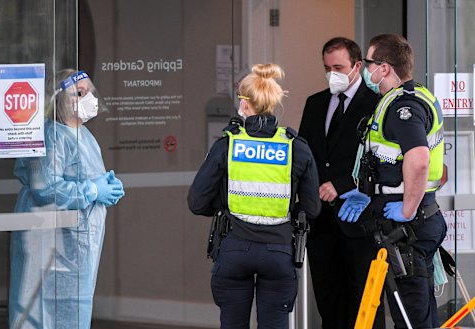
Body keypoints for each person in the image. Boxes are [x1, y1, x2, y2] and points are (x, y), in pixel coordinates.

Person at [188, 63, 321, 329]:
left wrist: (225, 204)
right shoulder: (296, 147)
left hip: (235, 249)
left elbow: (197, 202)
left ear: (245, 104)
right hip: (279, 251)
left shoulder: (228, 144)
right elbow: (312, 208)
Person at [339, 34, 446, 328]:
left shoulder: (403, 108)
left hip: (407, 228)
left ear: (384, 68)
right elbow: (422, 166)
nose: (366, 71)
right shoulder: (411, 98)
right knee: (419, 314)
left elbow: (420, 159)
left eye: (369, 63)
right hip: (414, 220)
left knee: (410, 319)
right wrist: (368, 191)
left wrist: (408, 209)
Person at [8, 69, 125, 329]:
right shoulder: (52, 136)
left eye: (89, 91)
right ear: (59, 99)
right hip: (55, 241)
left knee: (73, 308)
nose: (89, 97)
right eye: (79, 93)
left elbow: (83, 177)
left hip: (78, 243)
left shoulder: (84, 136)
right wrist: (92, 191)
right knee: (46, 309)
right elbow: (46, 189)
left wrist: (106, 188)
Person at [298, 37, 384, 329]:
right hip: (321, 221)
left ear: (357, 66)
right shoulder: (315, 104)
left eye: (338, 67)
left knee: (364, 302)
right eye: (327, 67)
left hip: (360, 221)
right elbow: (305, 156)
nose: (332, 73)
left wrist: (343, 183)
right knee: (329, 300)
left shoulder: (376, 105)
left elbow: (382, 159)